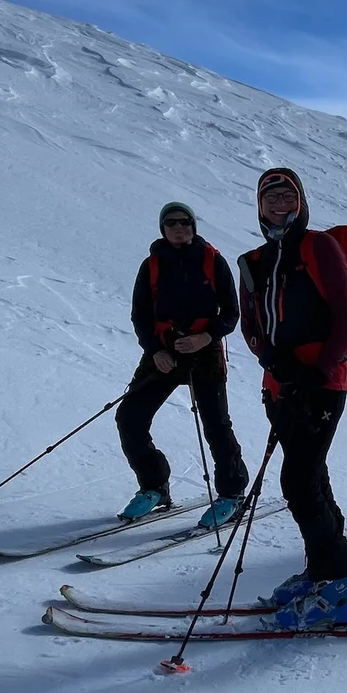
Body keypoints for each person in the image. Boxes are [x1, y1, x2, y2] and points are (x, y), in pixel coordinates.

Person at [236, 168, 347, 629]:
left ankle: (336, 586)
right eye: (271, 197)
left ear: (301, 201)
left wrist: (317, 371)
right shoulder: (254, 260)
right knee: (312, 478)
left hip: (322, 384)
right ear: (260, 206)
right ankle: (323, 573)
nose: (280, 203)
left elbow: (345, 316)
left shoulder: (319, 246)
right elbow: (250, 324)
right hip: (280, 386)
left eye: (288, 194)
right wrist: (272, 360)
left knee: (300, 482)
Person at [115, 201, 249, 526]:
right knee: (129, 416)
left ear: (193, 226)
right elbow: (141, 316)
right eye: (171, 223)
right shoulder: (151, 266)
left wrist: (206, 338)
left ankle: (233, 494)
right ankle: (154, 486)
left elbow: (231, 312)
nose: (178, 228)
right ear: (163, 228)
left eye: (184, 222)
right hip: (164, 354)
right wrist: (155, 350)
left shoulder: (213, 261)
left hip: (205, 353)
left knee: (216, 425)